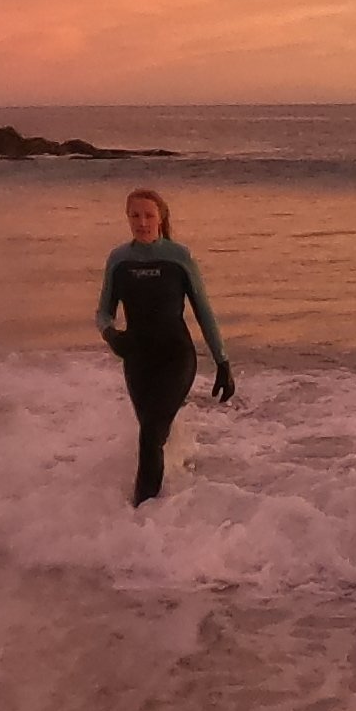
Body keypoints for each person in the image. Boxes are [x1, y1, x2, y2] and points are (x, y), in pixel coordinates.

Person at [95, 185, 233, 506]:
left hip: (176, 357)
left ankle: (142, 513)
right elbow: (103, 311)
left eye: (148, 215)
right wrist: (111, 335)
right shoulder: (119, 259)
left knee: (150, 436)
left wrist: (222, 362)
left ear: (161, 218)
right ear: (127, 218)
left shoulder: (178, 257)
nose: (142, 222)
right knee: (153, 434)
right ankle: (164, 506)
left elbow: (203, 311)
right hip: (138, 362)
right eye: (135, 215)